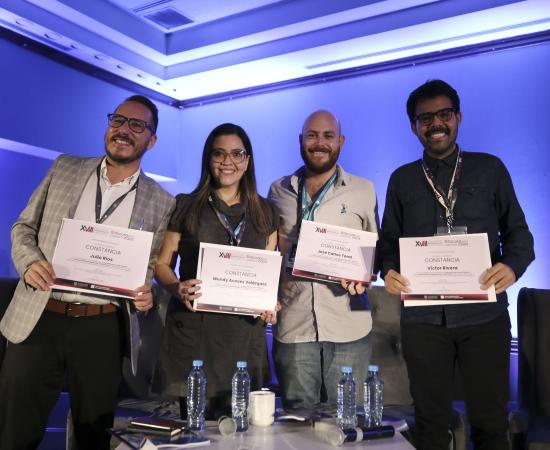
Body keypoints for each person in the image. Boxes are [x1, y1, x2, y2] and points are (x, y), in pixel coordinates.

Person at [0, 95, 175, 450]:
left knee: (93, 437)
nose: (123, 130)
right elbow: (23, 227)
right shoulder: (65, 168)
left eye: (137, 125)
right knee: (15, 433)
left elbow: (146, 270)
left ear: (152, 140)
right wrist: (30, 263)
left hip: (102, 326)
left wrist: (145, 295)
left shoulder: (162, 200)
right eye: (118, 120)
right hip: (40, 316)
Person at [379, 79, 535, 450]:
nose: (436, 123)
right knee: (430, 427)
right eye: (426, 118)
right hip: (423, 323)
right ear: (414, 126)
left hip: (484, 319)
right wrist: (388, 270)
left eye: (444, 114)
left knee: (490, 426)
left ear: (458, 118)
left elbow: (520, 234)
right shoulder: (401, 179)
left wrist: (511, 266)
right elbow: (388, 243)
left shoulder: (490, 169)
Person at [152, 123, 279, 418]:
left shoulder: (266, 212)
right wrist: (177, 287)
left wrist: (271, 304)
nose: (227, 161)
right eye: (219, 154)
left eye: (236, 154)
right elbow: (161, 265)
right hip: (195, 335)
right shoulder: (186, 205)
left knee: (242, 431)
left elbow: (269, 273)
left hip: (244, 337)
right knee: (196, 430)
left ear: (247, 161)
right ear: (209, 159)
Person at [268, 110, 379, 409]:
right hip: (294, 324)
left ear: (340, 141)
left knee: (346, 421)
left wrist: (366, 274)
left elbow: (375, 250)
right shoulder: (277, 190)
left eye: (328, 136)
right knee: (297, 422)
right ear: (300, 140)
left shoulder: (364, 190)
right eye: (312, 135)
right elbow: (268, 251)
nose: (320, 143)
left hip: (349, 326)